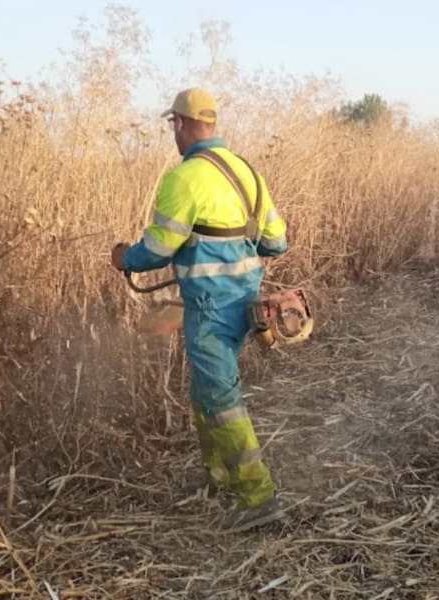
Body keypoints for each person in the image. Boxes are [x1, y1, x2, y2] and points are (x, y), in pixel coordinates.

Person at [110, 88, 289, 532]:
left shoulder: (185, 177)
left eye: (174, 124)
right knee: (207, 391)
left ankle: (257, 496)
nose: (174, 133)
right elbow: (276, 242)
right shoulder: (247, 172)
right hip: (245, 305)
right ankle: (218, 476)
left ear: (183, 124)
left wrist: (124, 258)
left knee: (222, 400)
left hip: (210, 308)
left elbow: (157, 250)